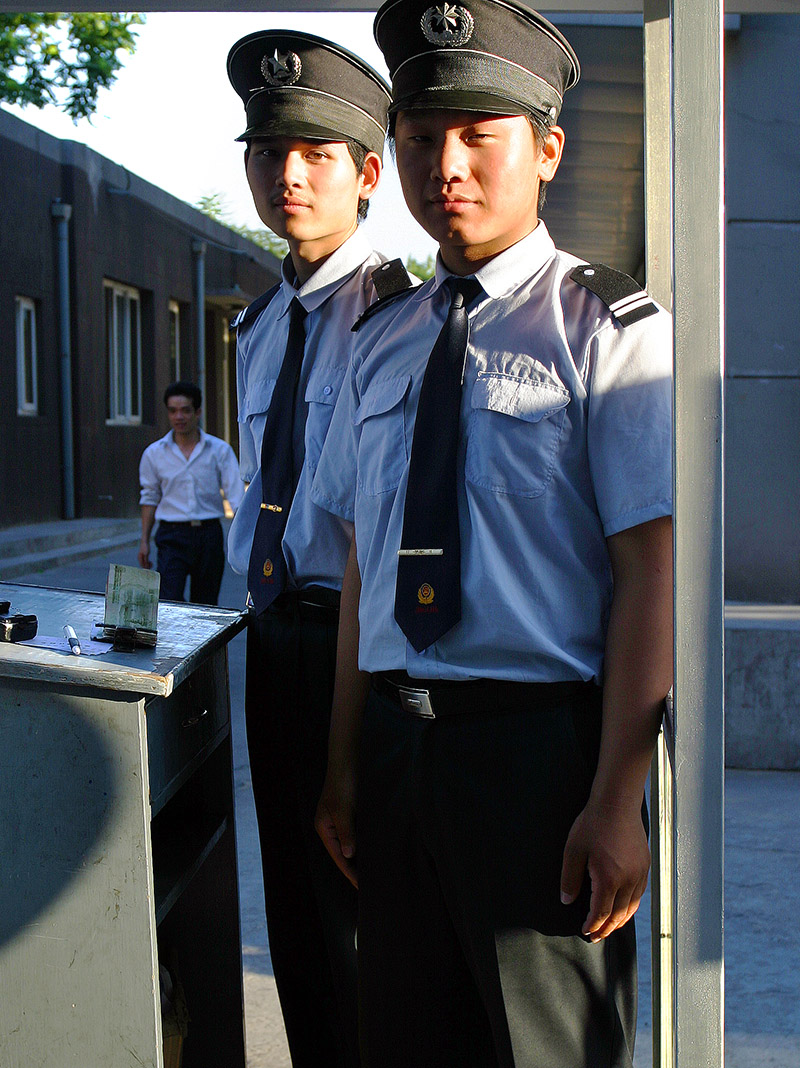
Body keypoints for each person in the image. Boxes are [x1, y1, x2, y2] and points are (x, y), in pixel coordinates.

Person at [313, 2, 673, 1066]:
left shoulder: (605, 328)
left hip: (534, 760)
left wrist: (618, 800)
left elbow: (645, 574)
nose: (445, 165)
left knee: (546, 1051)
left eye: (479, 134)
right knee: (405, 1040)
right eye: (420, 137)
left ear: (547, 150)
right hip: (393, 751)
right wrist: (342, 768)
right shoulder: (378, 341)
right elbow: (358, 569)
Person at [225, 30, 406, 1068]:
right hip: (273, 645)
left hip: (360, 656)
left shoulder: (397, 318)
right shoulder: (258, 326)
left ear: (366, 172)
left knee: (363, 925)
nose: (285, 175)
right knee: (293, 921)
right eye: (264, 151)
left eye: (316, 155)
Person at [138, 381, 242, 605]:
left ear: (198, 412)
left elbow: (236, 497)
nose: (179, 417)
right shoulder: (154, 453)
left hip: (208, 535)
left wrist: (245, 540)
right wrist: (144, 540)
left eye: (185, 410)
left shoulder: (219, 450)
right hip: (172, 535)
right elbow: (150, 496)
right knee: (169, 602)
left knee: (205, 605)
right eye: (173, 411)